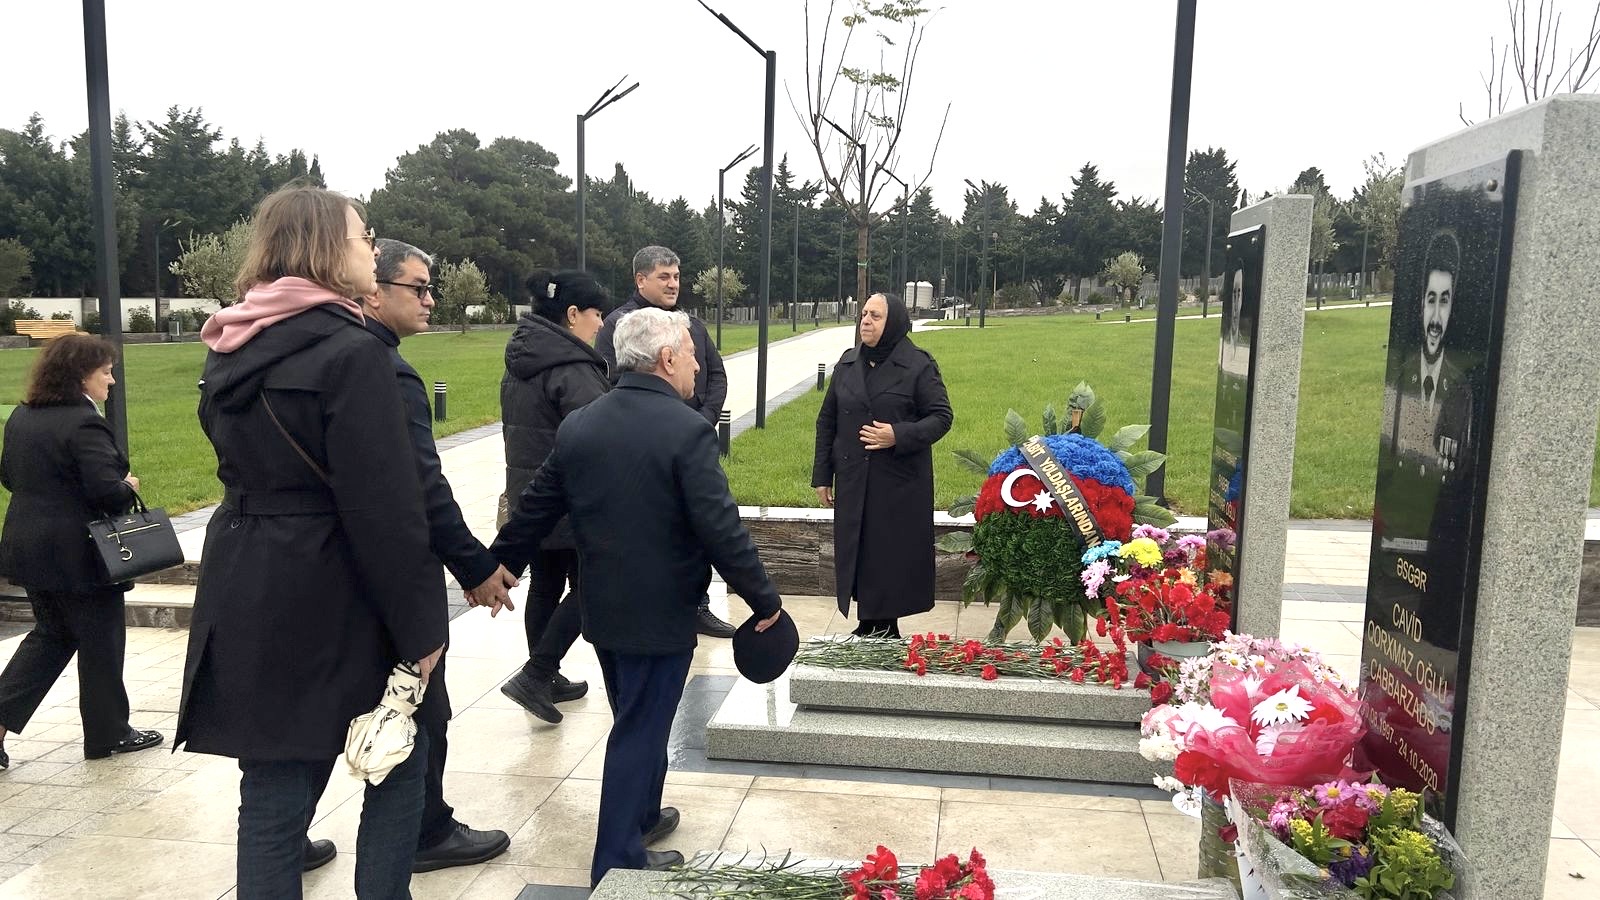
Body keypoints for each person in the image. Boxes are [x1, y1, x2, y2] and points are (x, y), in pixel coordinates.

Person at [174, 184, 448, 900]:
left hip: (249, 573)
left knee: (273, 782)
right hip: (335, 582)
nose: (371, 250)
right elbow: (385, 509)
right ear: (327, 249)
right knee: (398, 752)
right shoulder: (350, 351)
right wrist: (422, 626)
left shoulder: (231, 340)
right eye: (364, 237)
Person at [491, 307, 783, 888]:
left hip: (603, 609)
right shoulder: (687, 430)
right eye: (692, 353)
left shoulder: (582, 424)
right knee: (640, 730)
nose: (698, 364)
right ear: (667, 358)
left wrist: (498, 565)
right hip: (660, 613)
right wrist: (765, 601)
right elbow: (720, 528)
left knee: (637, 716)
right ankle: (618, 858)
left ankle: (644, 816)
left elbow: (536, 505)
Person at [360, 238, 516, 872]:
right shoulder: (382, 370)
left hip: (308, 568)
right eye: (418, 288)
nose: (430, 300)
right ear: (372, 290)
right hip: (389, 574)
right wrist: (476, 567)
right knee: (420, 709)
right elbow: (421, 487)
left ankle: (287, 839)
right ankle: (425, 832)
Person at [0, 334, 163, 769]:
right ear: (79, 376)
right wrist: (127, 485)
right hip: (81, 556)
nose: (111, 381)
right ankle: (109, 734)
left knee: (51, 636)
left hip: (29, 549)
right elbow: (105, 491)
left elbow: (9, 476)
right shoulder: (84, 422)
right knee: (101, 643)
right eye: (105, 372)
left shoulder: (22, 416)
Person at [595, 246, 735, 639]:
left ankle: (698, 605)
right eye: (664, 277)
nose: (673, 284)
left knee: (699, 523)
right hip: (643, 451)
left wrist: (701, 422)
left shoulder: (690, 325)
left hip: (692, 442)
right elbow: (607, 384)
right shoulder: (620, 326)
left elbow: (716, 375)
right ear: (640, 280)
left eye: (676, 276)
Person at [497, 269, 612, 724]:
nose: (601, 323)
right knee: (590, 586)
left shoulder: (524, 357)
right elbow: (598, 435)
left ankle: (545, 677)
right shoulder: (571, 367)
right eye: (597, 313)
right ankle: (538, 674)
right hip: (569, 498)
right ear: (573, 314)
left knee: (546, 584)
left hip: (531, 494)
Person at [812, 293, 953, 638]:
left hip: (897, 481)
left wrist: (897, 435)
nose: (866, 321)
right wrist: (822, 476)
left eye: (875, 316)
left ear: (893, 322)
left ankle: (886, 626)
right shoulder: (848, 362)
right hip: (853, 476)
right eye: (863, 314)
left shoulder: (918, 365)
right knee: (858, 547)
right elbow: (827, 420)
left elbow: (941, 416)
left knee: (888, 553)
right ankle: (868, 623)